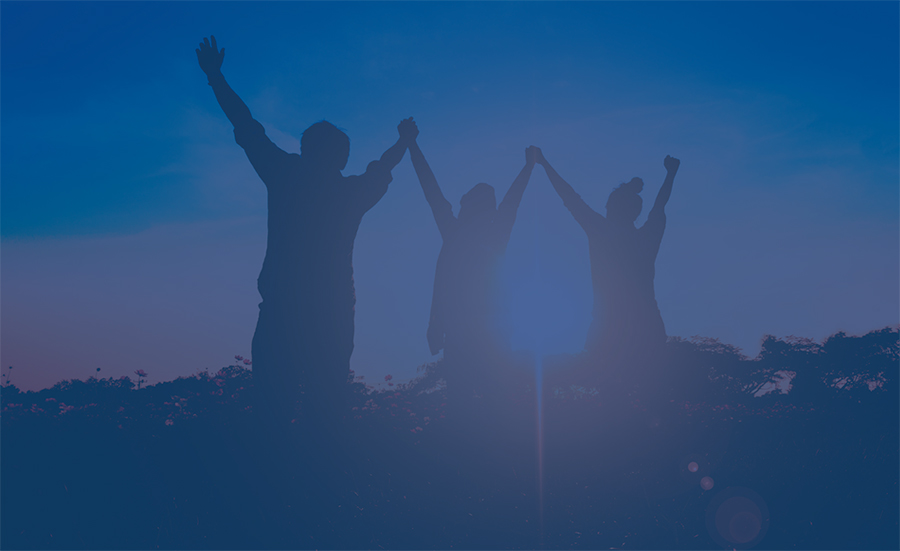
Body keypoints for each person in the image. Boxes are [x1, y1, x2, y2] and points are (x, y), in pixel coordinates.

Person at [196, 36, 418, 425]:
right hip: (331, 313)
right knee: (327, 412)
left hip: (282, 311)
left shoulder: (284, 176)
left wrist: (216, 76)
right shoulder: (350, 193)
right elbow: (383, 165)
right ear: (342, 157)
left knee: (272, 411)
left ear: (303, 149)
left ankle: (276, 478)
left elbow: (246, 124)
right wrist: (403, 140)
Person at [408, 131, 537, 402]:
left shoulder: (456, 232)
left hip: (466, 335)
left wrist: (412, 145)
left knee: (469, 408)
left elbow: (431, 190)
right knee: (494, 407)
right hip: (486, 336)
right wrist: (528, 167)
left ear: (467, 206)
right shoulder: (493, 233)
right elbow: (512, 200)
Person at [535, 148, 680, 374]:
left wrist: (544, 163)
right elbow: (660, 205)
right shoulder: (646, 237)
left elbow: (569, 196)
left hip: (609, 329)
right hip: (647, 327)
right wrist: (670, 175)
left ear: (610, 207)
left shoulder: (600, 231)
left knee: (610, 399)